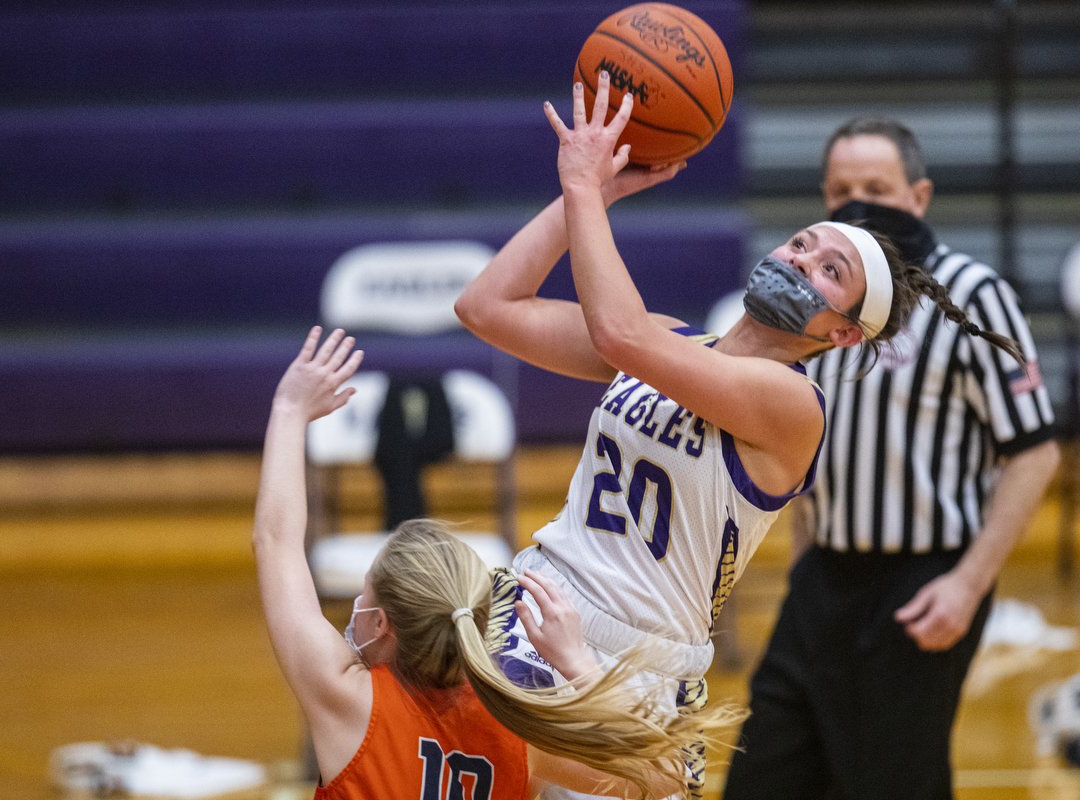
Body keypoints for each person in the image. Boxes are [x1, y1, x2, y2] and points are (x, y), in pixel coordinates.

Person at [454, 76, 1028, 800]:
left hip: (633, 660)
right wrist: (596, 194)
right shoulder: (666, 339)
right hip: (534, 602)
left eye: (829, 271)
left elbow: (616, 331)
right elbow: (487, 307)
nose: (799, 260)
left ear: (842, 332)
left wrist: (580, 183)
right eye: (801, 243)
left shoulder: (793, 405)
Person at [722, 116, 1061, 800]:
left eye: (876, 187)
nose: (859, 203)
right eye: (843, 190)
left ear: (920, 196)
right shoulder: (814, 306)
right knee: (762, 776)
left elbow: (1035, 453)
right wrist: (802, 561)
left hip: (922, 581)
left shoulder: (975, 295)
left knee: (891, 781)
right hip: (823, 577)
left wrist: (968, 587)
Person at [253, 325, 737, 800]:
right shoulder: (522, 726)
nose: (356, 603)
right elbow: (667, 773)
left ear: (381, 624)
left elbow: (276, 541)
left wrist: (290, 408)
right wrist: (576, 661)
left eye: (364, 594)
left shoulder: (344, 700)